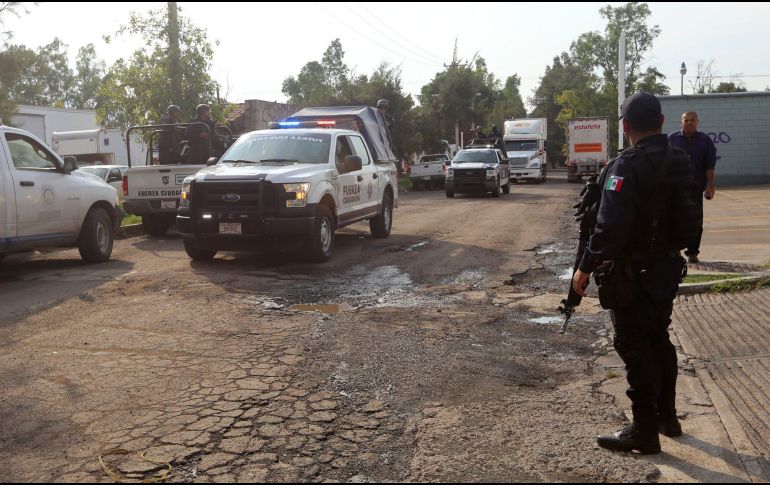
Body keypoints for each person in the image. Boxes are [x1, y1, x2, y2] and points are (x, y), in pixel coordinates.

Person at [572, 92, 696, 455]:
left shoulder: (627, 165)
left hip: (634, 271)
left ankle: (644, 430)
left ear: (626, 127)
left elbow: (610, 228)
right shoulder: (680, 158)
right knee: (658, 338)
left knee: (633, 345)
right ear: (661, 122)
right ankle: (666, 417)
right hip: (668, 267)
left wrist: (585, 267)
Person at [668, 111, 717, 264]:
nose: (688, 122)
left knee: (695, 221)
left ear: (697, 122)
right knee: (673, 219)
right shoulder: (671, 139)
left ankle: (692, 252)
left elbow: (709, 165)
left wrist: (710, 185)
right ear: (681, 122)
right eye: (685, 120)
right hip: (675, 188)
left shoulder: (705, 140)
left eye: (692, 120)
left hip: (695, 188)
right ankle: (675, 250)